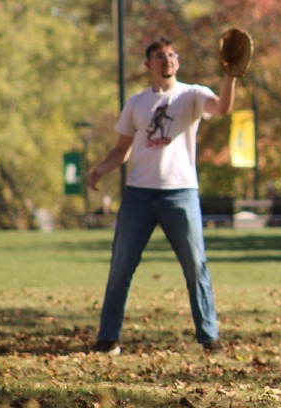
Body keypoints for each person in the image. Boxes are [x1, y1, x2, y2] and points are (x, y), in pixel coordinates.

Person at [87, 37, 237, 355]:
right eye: (159, 56)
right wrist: (101, 169)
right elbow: (120, 149)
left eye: (171, 55)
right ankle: (108, 338)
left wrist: (230, 76)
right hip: (138, 196)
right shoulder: (137, 103)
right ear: (148, 65)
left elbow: (223, 108)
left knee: (196, 266)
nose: (167, 60)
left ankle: (209, 338)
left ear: (178, 62)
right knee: (120, 267)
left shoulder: (191, 95)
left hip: (180, 194)